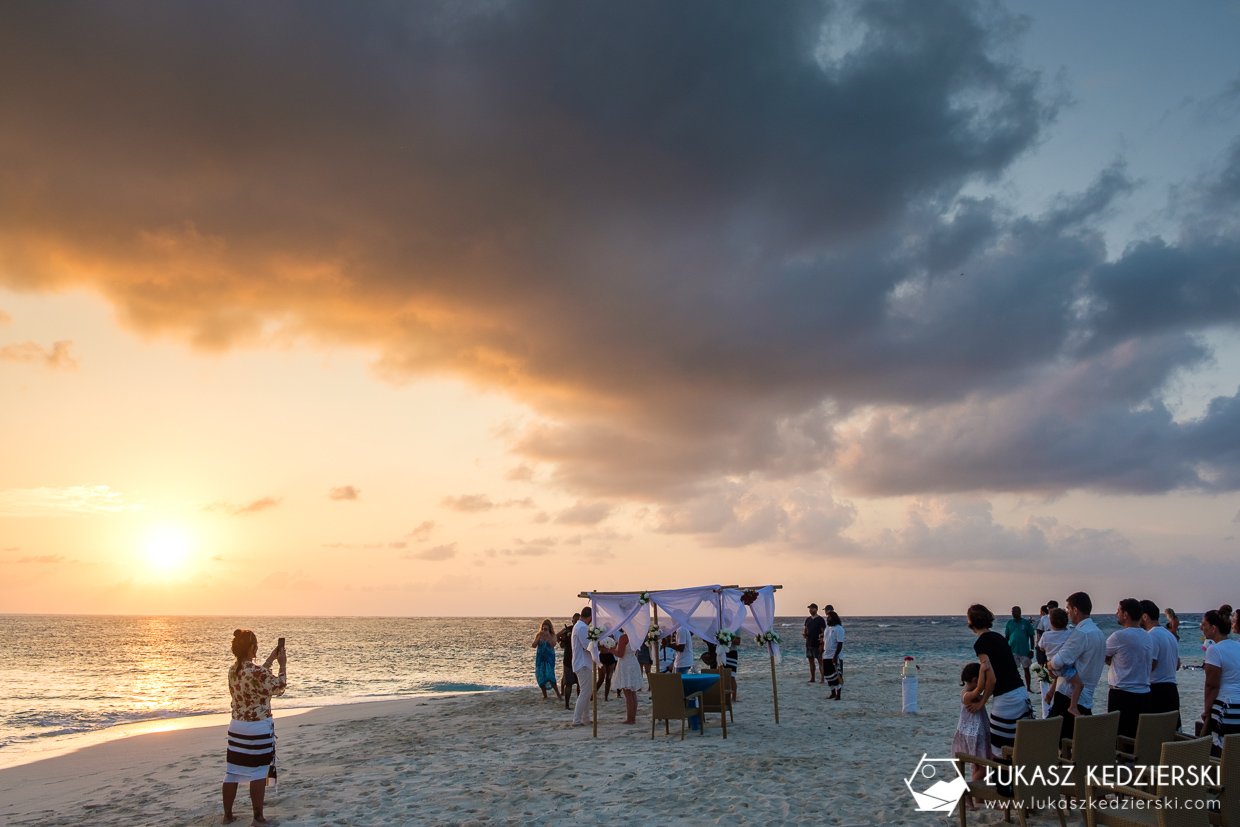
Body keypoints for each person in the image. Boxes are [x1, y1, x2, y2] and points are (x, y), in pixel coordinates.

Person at [223, 630, 286, 826]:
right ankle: (258, 817)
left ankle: (227, 816)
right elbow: (279, 687)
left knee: (232, 771)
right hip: (258, 728)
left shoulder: (233, 670)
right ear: (252, 648)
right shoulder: (257, 672)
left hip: (236, 727)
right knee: (258, 772)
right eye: (256, 644)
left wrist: (269, 660)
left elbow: (256, 677)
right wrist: (282, 664)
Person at [965, 604, 1030, 756]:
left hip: (1006, 699)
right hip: (1021, 693)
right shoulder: (999, 638)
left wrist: (982, 702)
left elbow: (992, 679)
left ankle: (1002, 780)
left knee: (999, 751)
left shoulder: (981, 643)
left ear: (972, 622)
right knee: (1019, 748)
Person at [1048, 591, 1106, 741]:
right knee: (1080, 747)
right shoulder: (1099, 633)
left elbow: (1058, 661)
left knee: (1058, 745)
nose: (1067, 612)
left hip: (1068, 696)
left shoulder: (1081, 633)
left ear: (1076, 610)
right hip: (1086, 696)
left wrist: (1048, 665)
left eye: (1068, 608)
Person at [1105, 598, 1153, 739]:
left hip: (1123, 694)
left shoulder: (1119, 636)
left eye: (1118, 611)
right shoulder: (1147, 636)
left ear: (1125, 614)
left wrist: (1113, 660)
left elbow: (1101, 655)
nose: (1116, 614)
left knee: (1119, 738)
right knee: (1139, 738)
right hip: (1144, 693)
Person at [953, 662, 991, 811]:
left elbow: (984, 689)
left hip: (972, 734)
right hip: (974, 735)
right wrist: (984, 669)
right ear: (976, 679)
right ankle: (967, 791)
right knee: (984, 768)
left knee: (977, 766)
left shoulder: (966, 692)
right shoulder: (968, 696)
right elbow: (981, 687)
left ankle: (978, 798)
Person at [1202, 609, 1240, 752]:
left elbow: (1212, 685)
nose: (1201, 627)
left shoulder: (1214, 650)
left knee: (1221, 750)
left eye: (1204, 624)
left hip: (1226, 707)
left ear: (1213, 628)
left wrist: (1206, 711)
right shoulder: (1238, 646)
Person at [1139, 599, 1180, 729]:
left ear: (1145, 616)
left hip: (1157, 690)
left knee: (1156, 734)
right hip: (1172, 689)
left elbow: (1151, 664)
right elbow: (1177, 664)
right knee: (1172, 731)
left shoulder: (1151, 636)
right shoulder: (1170, 635)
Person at [1040, 608, 1083, 720]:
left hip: (1052, 667)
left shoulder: (1045, 635)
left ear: (1051, 622)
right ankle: (1073, 707)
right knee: (1078, 684)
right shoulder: (1069, 634)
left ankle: (1050, 693)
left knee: (1057, 678)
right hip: (1065, 667)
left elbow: (1041, 647)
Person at [571, 607, 598, 727]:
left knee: (587, 692)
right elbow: (587, 646)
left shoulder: (579, 626)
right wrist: (598, 644)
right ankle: (577, 719)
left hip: (583, 662)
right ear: (590, 617)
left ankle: (585, 717)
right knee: (585, 692)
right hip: (582, 663)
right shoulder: (581, 627)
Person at [612, 628, 642, 725]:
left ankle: (629, 719)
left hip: (625, 663)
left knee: (628, 694)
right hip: (633, 661)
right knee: (633, 693)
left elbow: (620, 654)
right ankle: (633, 718)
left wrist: (611, 650)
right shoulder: (636, 636)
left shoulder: (623, 637)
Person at [1004, 606, 1036, 691]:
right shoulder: (1009, 622)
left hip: (1024, 650)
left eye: (1014, 611)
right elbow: (1007, 636)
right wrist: (1004, 648)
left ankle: (1028, 688)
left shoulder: (1026, 623)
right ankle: (1015, 686)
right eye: (1012, 612)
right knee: (1013, 670)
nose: (1013, 613)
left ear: (1019, 612)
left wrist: (1032, 650)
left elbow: (1031, 636)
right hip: (1013, 650)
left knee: (1026, 669)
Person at [531, 619, 562, 701]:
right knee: (540, 676)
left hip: (549, 658)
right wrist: (539, 637)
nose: (544, 630)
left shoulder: (553, 635)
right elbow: (533, 645)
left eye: (546, 628)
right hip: (540, 658)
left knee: (550, 676)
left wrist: (548, 636)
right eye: (543, 628)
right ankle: (545, 695)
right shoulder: (539, 635)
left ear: (549, 628)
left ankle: (558, 694)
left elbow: (553, 644)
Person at [557, 614, 580, 710]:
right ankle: (566, 705)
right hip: (568, 660)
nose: (576, 623)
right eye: (575, 621)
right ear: (572, 621)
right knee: (568, 684)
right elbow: (559, 640)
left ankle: (579, 704)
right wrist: (560, 640)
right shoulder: (568, 630)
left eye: (577, 621)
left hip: (579, 660)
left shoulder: (582, 629)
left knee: (580, 684)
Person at [823, 611, 845, 700]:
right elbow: (825, 640)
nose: (827, 619)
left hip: (834, 655)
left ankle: (838, 694)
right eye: (827, 617)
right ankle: (832, 692)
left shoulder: (839, 629)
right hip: (826, 655)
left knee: (836, 675)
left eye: (829, 617)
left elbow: (840, 643)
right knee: (827, 675)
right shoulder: (827, 628)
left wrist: (835, 656)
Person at [803, 603, 826, 683]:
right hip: (809, 643)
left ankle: (822, 678)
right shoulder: (808, 619)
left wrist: (822, 644)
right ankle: (812, 678)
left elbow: (824, 632)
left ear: (816, 609)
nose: (810, 610)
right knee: (811, 661)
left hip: (817, 643)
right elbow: (805, 629)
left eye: (812, 608)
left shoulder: (820, 620)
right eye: (810, 608)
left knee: (820, 661)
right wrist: (805, 634)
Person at [1034, 599, 1059, 667]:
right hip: (1046, 643)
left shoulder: (1060, 617)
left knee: (1054, 663)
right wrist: (1046, 636)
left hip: (1057, 643)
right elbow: (1040, 630)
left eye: (1052, 607)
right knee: (1043, 664)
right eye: (1049, 608)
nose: (1050, 609)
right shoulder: (1044, 618)